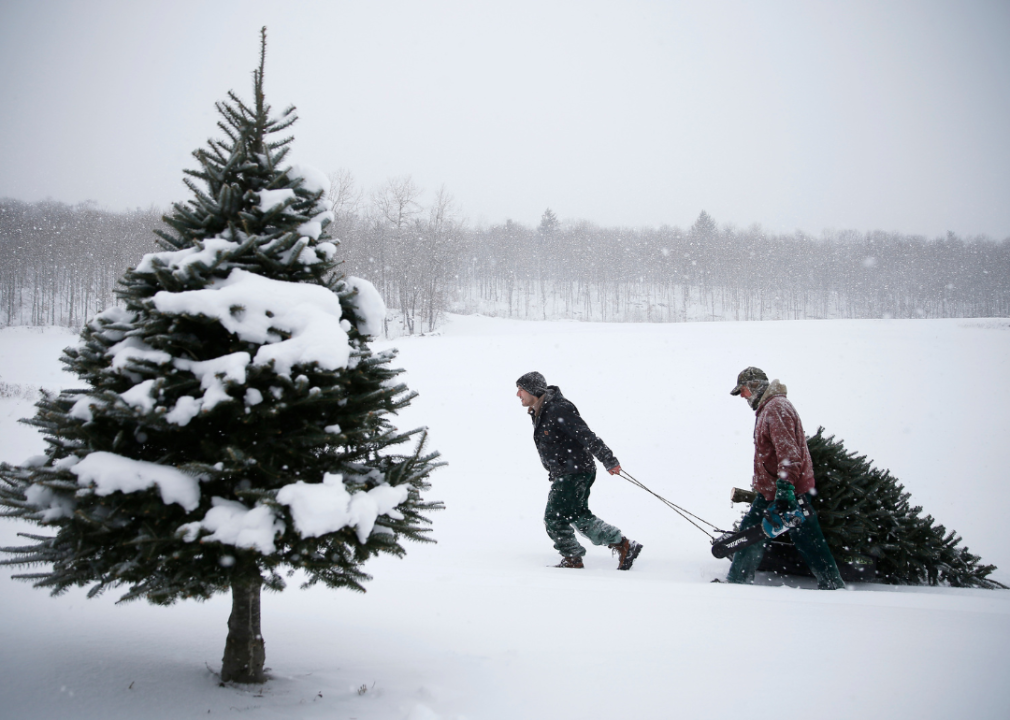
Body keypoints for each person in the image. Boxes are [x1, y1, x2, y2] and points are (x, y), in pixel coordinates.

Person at [726, 367, 845, 589]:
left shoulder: (776, 409)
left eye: (743, 391)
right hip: (771, 491)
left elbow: (789, 455)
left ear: (755, 386)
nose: (742, 396)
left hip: (787, 492)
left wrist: (784, 490)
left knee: (808, 540)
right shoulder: (768, 408)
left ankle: (833, 586)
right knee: (749, 535)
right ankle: (737, 583)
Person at [516, 371, 642, 570]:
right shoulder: (541, 411)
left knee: (554, 518)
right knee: (576, 515)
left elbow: (585, 435)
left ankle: (573, 558)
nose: (518, 394)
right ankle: (622, 543)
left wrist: (607, 459)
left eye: (521, 389)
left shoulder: (558, 409)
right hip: (570, 471)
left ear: (533, 390)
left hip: (572, 472)